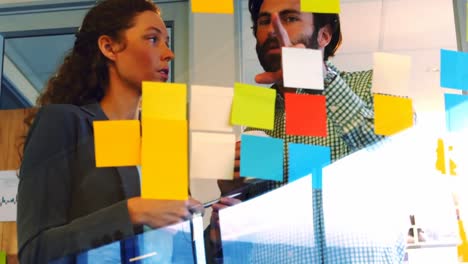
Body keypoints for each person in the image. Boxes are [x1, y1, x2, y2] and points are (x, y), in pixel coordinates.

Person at [208, 0, 406, 262]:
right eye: (265, 21)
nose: (272, 30)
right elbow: (249, 229)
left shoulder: (376, 81)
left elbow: (399, 151)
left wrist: (315, 75)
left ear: (324, 35)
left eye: (289, 18)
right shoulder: (255, 112)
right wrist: (229, 199)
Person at [16, 0, 202, 263]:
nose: (168, 53)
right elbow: (35, 251)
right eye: (152, 39)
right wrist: (132, 211)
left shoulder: (162, 141)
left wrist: (212, 235)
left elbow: (171, 250)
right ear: (109, 47)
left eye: (167, 42)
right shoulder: (63, 122)